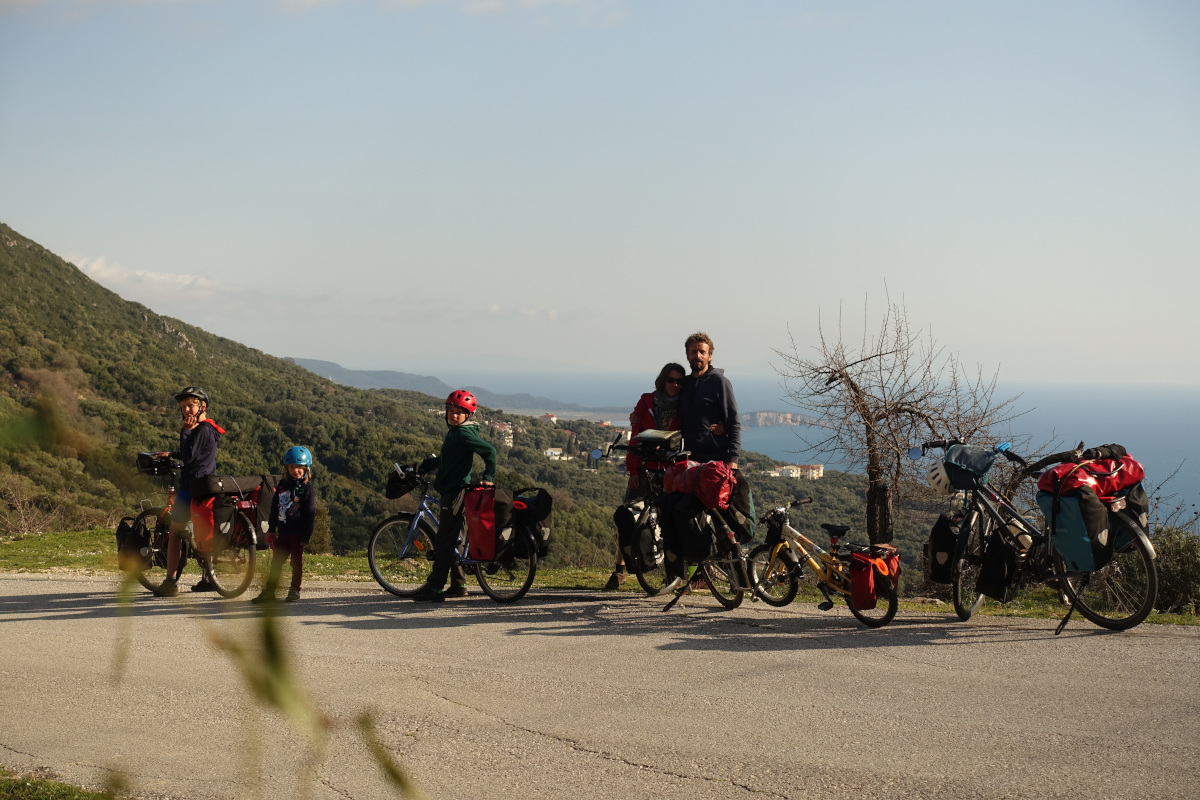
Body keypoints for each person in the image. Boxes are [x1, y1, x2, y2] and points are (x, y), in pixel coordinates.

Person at [603, 362, 685, 591]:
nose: (676, 385)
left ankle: (675, 576)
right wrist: (633, 470)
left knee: (670, 522)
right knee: (630, 518)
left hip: (672, 469)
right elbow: (635, 437)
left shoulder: (685, 405)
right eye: (671, 380)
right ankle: (619, 571)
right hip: (645, 467)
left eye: (680, 381)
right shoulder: (646, 401)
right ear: (663, 380)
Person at [411, 390, 498, 603]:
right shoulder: (456, 432)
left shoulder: (462, 433)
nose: (453, 414)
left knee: (444, 541)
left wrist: (488, 476)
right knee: (455, 538)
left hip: (456, 491)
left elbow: (490, 452)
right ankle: (458, 585)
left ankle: (435, 588)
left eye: (459, 411)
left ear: (468, 414)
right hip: (453, 489)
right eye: (450, 409)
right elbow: (449, 459)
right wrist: (429, 464)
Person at [154, 386, 224, 597]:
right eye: (184, 407)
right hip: (206, 485)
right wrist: (172, 453)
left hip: (191, 486)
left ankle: (170, 581)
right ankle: (208, 578)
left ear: (203, 406)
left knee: (175, 531)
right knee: (203, 532)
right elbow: (196, 451)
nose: (186, 410)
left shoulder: (199, 429)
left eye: (190, 406)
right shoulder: (209, 429)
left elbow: (190, 457)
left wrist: (184, 431)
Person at [252, 446, 318, 604]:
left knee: (296, 563)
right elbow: (275, 508)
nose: (296, 471)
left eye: (299, 468)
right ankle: (269, 592)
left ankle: (294, 590)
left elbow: (310, 513)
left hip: (297, 533)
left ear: (306, 468)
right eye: (292, 467)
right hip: (283, 532)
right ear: (287, 468)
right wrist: (271, 529)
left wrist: (306, 535)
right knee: (276, 564)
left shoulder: (307, 489)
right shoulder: (282, 485)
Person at [678, 331, 740, 468]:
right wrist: (637, 415)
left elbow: (733, 422)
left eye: (702, 352)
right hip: (686, 460)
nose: (698, 356)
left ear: (709, 356)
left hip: (715, 460)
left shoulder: (719, 382)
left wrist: (733, 460)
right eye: (693, 352)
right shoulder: (684, 384)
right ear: (687, 355)